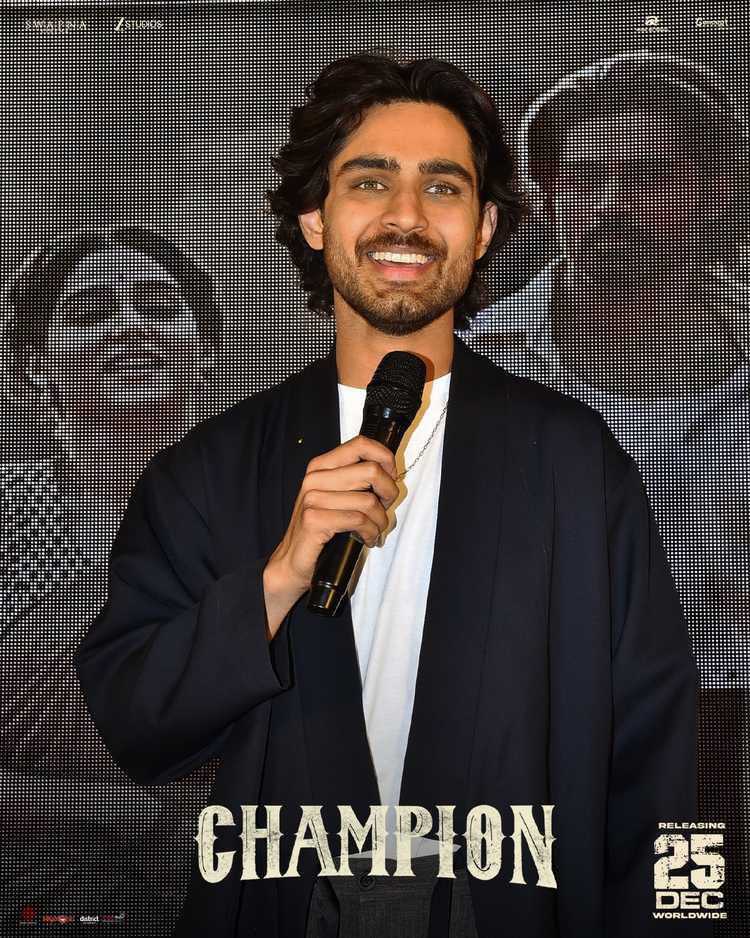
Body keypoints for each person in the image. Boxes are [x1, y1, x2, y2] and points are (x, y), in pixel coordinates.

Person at [74, 55, 707, 938]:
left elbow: (665, 759)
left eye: (442, 188)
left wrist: (685, 925)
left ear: (484, 228)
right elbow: (132, 720)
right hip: (284, 902)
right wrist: (278, 579)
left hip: (515, 904)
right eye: (370, 182)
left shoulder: (574, 460)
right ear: (314, 217)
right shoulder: (206, 471)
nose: (406, 217)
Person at [463, 51, 750, 688]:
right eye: (588, 176)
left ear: (715, 191)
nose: (615, 204)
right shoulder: (478, 371)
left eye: (651, 175)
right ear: (545, 197)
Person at [0, 225, 220, 929]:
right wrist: (125, 815)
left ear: (205, 352)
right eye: (91, 312)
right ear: (34, 365)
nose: (131, 327)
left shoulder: (285, 519)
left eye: (159, 306)